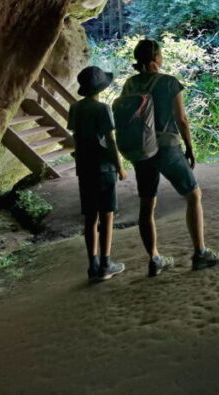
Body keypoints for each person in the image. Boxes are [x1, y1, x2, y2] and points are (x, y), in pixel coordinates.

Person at [122, 38, 219, 276]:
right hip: (167, 147)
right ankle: (200, 253)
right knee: (193, 195)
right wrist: (189, 147)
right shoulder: (169, 83)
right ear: (157, 58)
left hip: (142, 149)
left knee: (147, 205)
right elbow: (182, 119)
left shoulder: (129, 85)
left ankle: (155, 258)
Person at [67, 66, 126, 282]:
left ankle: (92, 265)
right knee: (107, 215)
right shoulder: (103, 108)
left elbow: (76, 136)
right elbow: (110, 140)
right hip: (104, 167)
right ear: (101, 87)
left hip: (85, 168)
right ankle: (106, 264)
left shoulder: (75, 108)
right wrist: (119, 166)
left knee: (90, 217)